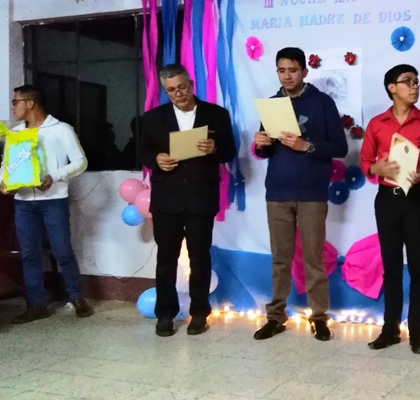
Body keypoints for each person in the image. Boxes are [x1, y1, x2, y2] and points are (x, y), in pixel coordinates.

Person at [253, 47, 348, 342]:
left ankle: (318, 317)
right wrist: (260, 144)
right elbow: (265, 151)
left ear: (305, 71)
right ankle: (275, 317)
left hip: (311, 193)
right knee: (280, 259)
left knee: (313, 259)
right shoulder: (272, 105)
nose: (287, 76)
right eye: (281, 70)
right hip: (277, 192)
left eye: (292, 70)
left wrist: (306, 145)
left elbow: (340, 148)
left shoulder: (323, 103)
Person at [141, 64, 236, 337]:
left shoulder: (216, 114)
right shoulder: (153, 118)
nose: (178, 94)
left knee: (200, 258)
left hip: (201, 196)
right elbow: (142, 151)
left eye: (182, 87)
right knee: (166, 259)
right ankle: (165, 314)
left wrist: (215, 148)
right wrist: (156, 159)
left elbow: (229, 152)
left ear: (191, 85)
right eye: (171, 90)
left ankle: (200, 313)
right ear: (165, 91)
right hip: (166, 198)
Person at [360, 64, 420, 354]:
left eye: (416, 82)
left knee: (418, 267)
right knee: (391, 267)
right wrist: (377, 168)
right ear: (391, 88)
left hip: (417, 200)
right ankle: (390, 330)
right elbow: (365, 162)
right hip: (387, 200)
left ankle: (417, 333)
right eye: (407, 82)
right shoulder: (377, 124)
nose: (414, 87)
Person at [0, 85, 93, 324]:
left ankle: (77, 297)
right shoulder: (15, 133)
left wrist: (55, 176)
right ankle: (36, 304)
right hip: (23, 203)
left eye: (15, 102)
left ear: (30, 103)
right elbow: (6, 164)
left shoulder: (61, 129)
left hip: (53, 201)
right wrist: (4, 182)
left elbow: (80, 162)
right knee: (29, 254)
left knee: (62, 251)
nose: (13, 107)